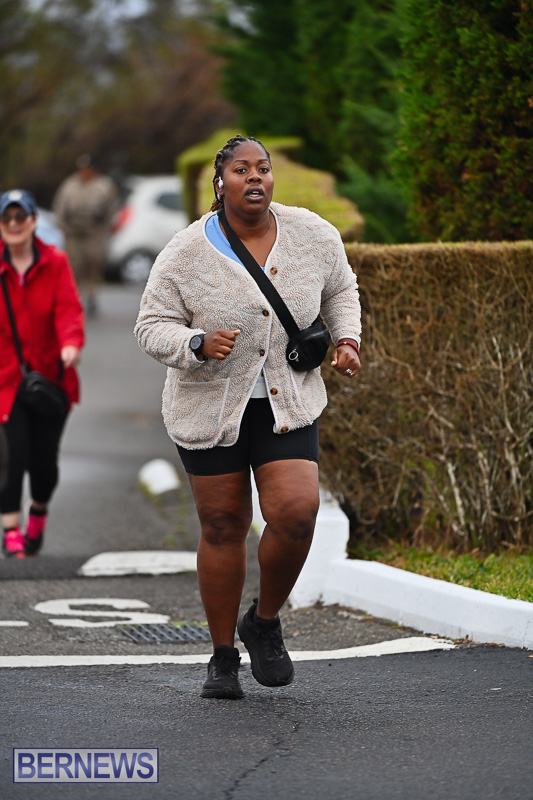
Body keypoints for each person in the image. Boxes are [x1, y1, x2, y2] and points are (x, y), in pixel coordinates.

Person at [134, 135, 361, 699]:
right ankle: (220, 657)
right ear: (221, 183)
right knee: (223, 526)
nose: (255, 178)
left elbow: (341, 289)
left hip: (288, 404)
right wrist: (194, 342)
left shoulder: (311, 233)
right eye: (242, 169)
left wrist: (349, 339)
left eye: (263, 168)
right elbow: (150, 324)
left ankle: (262, 621)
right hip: (209, 409)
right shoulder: (185, 252)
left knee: (296, 513)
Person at [0, 189, 85, 558]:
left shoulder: (55, 262)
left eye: (22, 217)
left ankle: (38, 511)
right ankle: (10, 529)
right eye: (7, 218)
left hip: (51, 377)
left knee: (43, 460)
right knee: (9, 456)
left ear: (34, 221)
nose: (14, 224)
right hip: (4, 380)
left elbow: (69, 309)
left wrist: (70, 344)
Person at [52, 154, 118, 315]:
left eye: (87, 169)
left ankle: (92, 296)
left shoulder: (104, 185)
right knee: (73, 266)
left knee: (93, 265)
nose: (84, 172)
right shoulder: (70, 184)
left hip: (94, 232)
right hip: (73, 232)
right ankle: (74, 299)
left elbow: (111, 210)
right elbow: (59, 205)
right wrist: (61, 223)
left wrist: (105, 228)